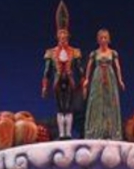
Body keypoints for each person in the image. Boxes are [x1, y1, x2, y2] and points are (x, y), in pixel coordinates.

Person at [41, 2, 83, 139]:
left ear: (68, 37)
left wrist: (83, 82)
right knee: (60, 107)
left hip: (70, 82)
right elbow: (47, 71)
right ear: (58, 37)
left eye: (65, 37)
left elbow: (79, 68)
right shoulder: (51, 52)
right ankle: (61, 133)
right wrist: (44, 86)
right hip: (58, 82)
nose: (63, 39)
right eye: (61, 37)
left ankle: (68, 133)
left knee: (69, 106)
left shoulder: (74, 52)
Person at [82, 28, 125, 140]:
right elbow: (89, 67)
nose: (103, 40)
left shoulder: (113, 53)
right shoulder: (94, 53)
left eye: (105, 37)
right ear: (98, 39)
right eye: (101, 38)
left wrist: (120, 80)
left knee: (110, 102)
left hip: (110, 78)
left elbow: (118, 67)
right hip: (98, 78)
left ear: (108, 39)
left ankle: (111, 131)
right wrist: (86, 79)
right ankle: (96, 131)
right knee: (97, 102)